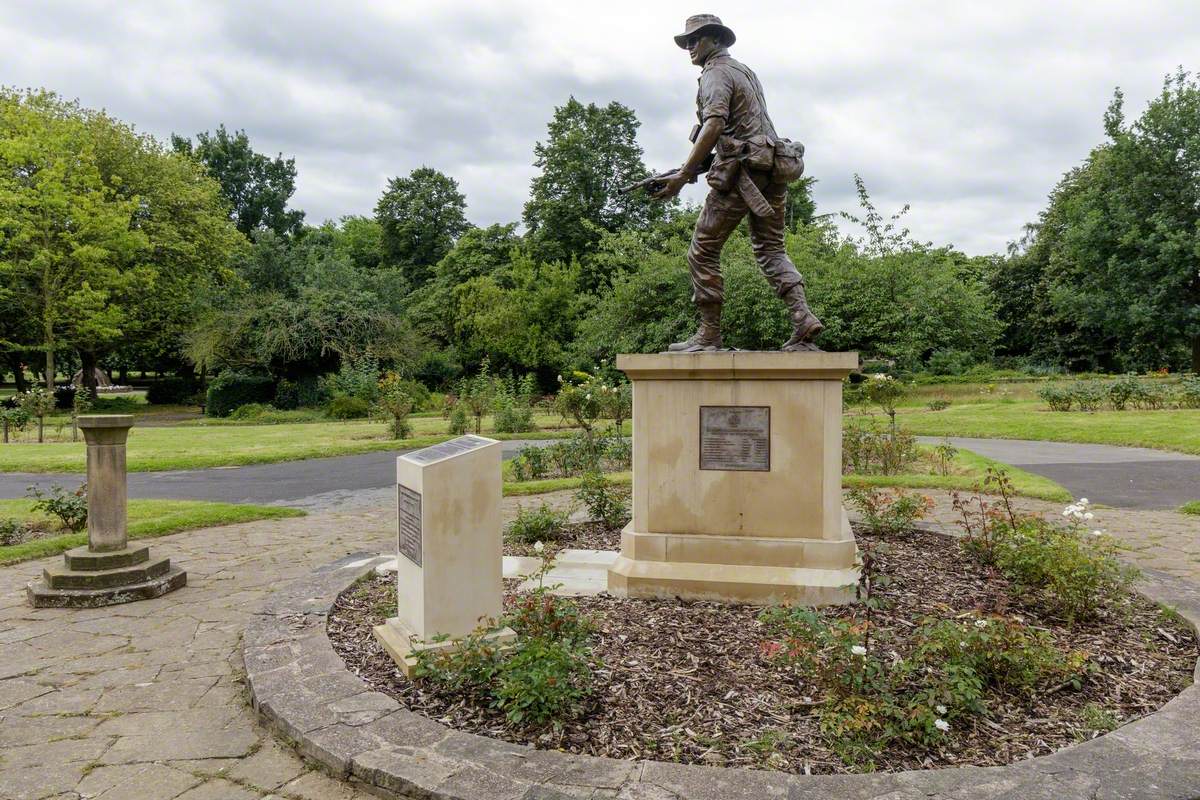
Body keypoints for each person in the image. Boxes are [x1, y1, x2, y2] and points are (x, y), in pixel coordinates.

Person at [652, 14, 823, 352]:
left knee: (702, 251)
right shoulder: (744, 71)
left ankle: (708, 336)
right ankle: (802, 318)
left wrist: (684, 176)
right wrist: (684, 171)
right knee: (771, 249)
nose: (689, 47)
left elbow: (714, 125)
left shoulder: (715, 73)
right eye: (686, 41)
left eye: (695, 39)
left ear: (716, 40)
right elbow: (737, 131)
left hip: (742, 175)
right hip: (770, 170)